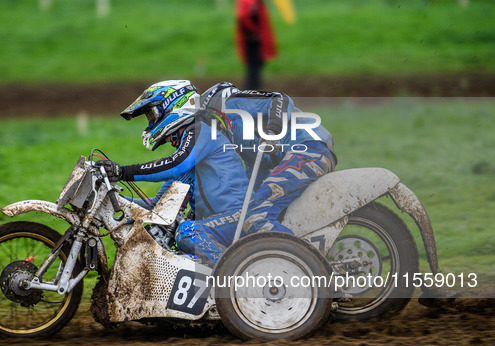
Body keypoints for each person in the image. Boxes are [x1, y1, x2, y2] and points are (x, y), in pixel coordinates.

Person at [97, 80, 250, 265]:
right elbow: (156, 207)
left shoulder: (202, 130)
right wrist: (109, 199)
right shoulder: (189, 156)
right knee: (168, 241)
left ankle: (233, 277)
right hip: (222, 222)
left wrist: (123, 172)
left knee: (187, 232)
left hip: (240, 216)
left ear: (175, 105)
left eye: (152, 114)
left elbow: (175, 165)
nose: (151, 121)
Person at [200, 82, 338, 235]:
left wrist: (273, 131)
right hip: (310, 152)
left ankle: (295, 256)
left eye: (207, 121)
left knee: (256, 216)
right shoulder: (244, 142)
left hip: (307, 148)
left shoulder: (233, 102)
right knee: (258, 211)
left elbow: (281, 99)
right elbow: (258, 173)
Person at [236, 0, 277, 89]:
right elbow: (244, 17)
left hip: (256, 40)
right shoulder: (250, 3)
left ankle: (252, 92)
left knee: (256, 67)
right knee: (253, 69)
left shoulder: (255, 3)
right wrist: (254, 31)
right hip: (253, 42)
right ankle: (250, 93)